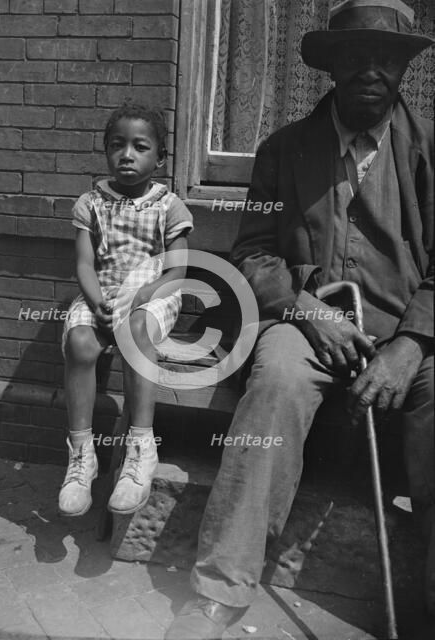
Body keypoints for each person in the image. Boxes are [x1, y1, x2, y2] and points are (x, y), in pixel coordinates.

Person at [165, 1, 434, 638]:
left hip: (409, 336)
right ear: (331, 67)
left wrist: (412, 346)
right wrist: (307, 309)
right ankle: (219, 590)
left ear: (402, 70)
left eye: (386, 58)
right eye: (356, 56)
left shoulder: (430, 151)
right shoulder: (283, 150)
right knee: (276, 381)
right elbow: (253, 252)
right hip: (306, 326)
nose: (371, 70)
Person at [58, 104, 193, 518]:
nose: (127, 155)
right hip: (105, 293)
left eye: (140, 146)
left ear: (160, 158)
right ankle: (82, 456)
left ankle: (140, 449)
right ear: (105, 151)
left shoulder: (168, 205)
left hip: (154, 293)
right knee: (80, 342)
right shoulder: (91, 203)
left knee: (136, 331)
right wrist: (96, 298)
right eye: (117, 146)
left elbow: (178, 270)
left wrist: (143, 296)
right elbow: (84, 263)